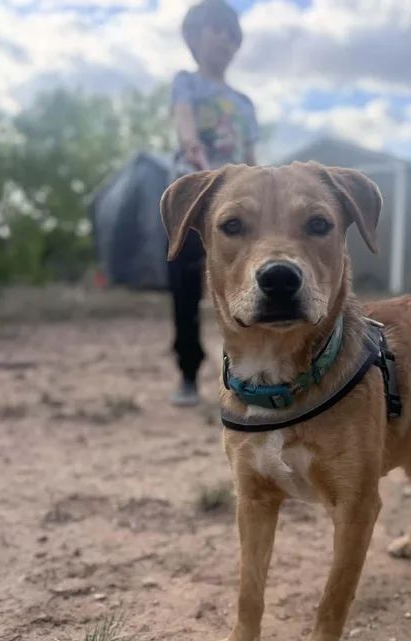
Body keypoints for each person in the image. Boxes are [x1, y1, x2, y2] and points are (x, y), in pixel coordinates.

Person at [168, 0, 259, 407]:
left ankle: (250, 370)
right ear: (194, 37)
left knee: (247, 290)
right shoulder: (186, 83)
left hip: (242, 214)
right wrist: (195, 153)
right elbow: (185, 122)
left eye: (230, 33)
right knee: (186, 293)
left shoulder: (244, 103)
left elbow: (253, 159)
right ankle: (188, 373)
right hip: (194, 207)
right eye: (214, 30)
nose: (223, 39)